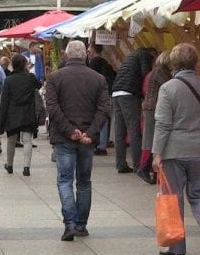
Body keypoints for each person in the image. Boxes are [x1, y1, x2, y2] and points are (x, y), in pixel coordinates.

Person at [153, 43, 200, 255]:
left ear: (173, 63)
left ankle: (177, 246)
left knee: (173, 196)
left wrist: (157, 153)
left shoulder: (168, 88)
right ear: (196, 62)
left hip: (174, 150)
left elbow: (163, 124)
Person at [46, 41, 110, 241]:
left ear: (66, 55)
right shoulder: (98, 79)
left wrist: (69, 130)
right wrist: (89, 133)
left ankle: (70, 223)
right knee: (84, 181)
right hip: (87, 140)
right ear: (85, 56)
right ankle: (81, 225)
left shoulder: (55, 78)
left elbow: (52, 108)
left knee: (65, 180)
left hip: (64, 138)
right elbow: (103, 108)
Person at [112, 47, 157, 174]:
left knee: (119, 131)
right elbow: (146, 75)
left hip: (116, 92)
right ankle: (138, 165)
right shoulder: (145, 55)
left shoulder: (131, 56)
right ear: (152, 54)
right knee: (134, 130)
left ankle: (120, 164)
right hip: (129, 94)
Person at [0, 54, 41, 176]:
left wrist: (1, 117)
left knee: (11, 140)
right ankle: (26, 167)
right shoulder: (30, 77)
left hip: (13, 113)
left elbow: (4, 100)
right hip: (27, 112)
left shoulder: (9, 80)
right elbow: (39, 85)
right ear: (24, 65)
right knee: (27, 140)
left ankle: (9, 165)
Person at [137, 50, 172, 184]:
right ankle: (144, 167)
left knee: (150, 138)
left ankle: (147, 168)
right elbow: (169, 86)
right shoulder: (161, 72)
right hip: (153, 107)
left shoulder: (157, 71)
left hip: (150, 107)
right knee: (150, 139)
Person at [88, 44, 116, 155]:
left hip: (97, 93)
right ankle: (102, 143)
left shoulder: (95, 61)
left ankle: (100, 145)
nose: (88, 50)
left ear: (94, 49)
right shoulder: (104, 61)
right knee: (104, 117)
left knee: (99, 118)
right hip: (106, 92)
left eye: (89, 48)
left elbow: (91, 78)